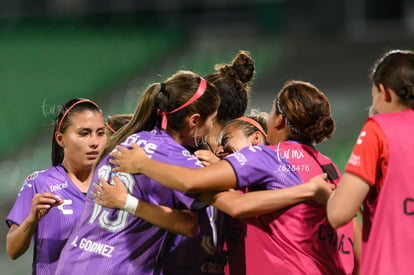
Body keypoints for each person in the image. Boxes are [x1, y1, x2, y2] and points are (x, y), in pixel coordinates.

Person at [109, 80, 356, 274]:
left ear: (279, 120)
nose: (220, 150)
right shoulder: (328, 166)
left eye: (271, 113)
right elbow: (354, 237)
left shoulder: (267, 155)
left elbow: (192, 183)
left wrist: (144, 164)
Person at [55, 70, 221, 275]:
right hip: (117, 268)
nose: (213, 127)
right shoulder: (178, 158)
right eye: (212, 119)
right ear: (194, 120)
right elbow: (190, 224)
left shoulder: (128, 141)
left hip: (73, 262)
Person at [327, 49, 414, 275]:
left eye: (373, 94)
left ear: (384, 92)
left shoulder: (379, 129)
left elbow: (338, 214)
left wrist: (325, 193)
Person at [5, 98, 107, 274]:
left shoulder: (115, 184)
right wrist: (31, 219)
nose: (94, 143)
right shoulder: (40, 183)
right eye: (84, 133)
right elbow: (12, 250)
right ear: (61, 139)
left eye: (100, 133)